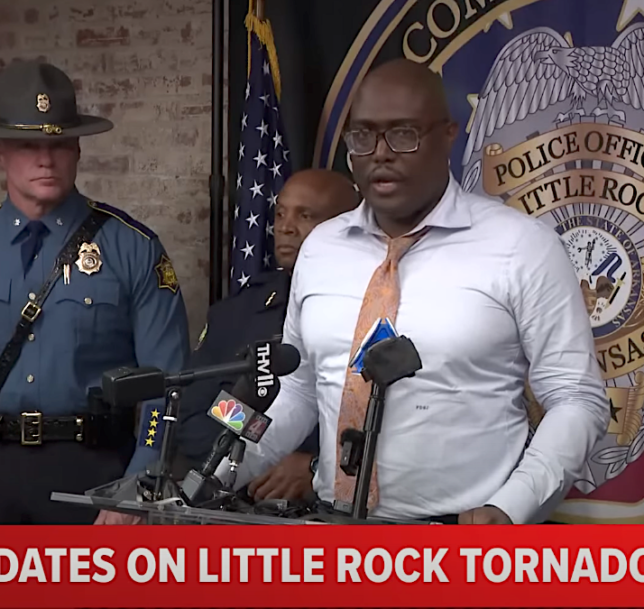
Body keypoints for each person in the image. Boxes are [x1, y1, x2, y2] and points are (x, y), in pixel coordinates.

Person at [214, 59, 610, 525]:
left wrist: (510, 508)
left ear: (448, 135)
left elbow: (576, 397)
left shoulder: (522, 246)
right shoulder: (321, 248)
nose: (381, 153)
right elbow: (297, 391)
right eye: (363, 137)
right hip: (329, 530)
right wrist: (216, 472)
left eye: (403, 134)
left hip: (462, 543)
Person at [0, 59, 190, 524]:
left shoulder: (133, 247)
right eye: (28, 144)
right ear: (2, 152)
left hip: (96, 476)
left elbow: (166, 385)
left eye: (60, 143)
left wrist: (139, 486)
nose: (46, 159)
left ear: (79, 149)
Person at [172, 168, 361, 501]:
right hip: (235, 503)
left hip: (335, 506)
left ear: (348, 227)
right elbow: (196, 416)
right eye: (280, 213)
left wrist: (316, 467)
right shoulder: (238, 312)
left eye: (306, 216)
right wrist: (251, 452)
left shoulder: (375, 309)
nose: (285, 227)